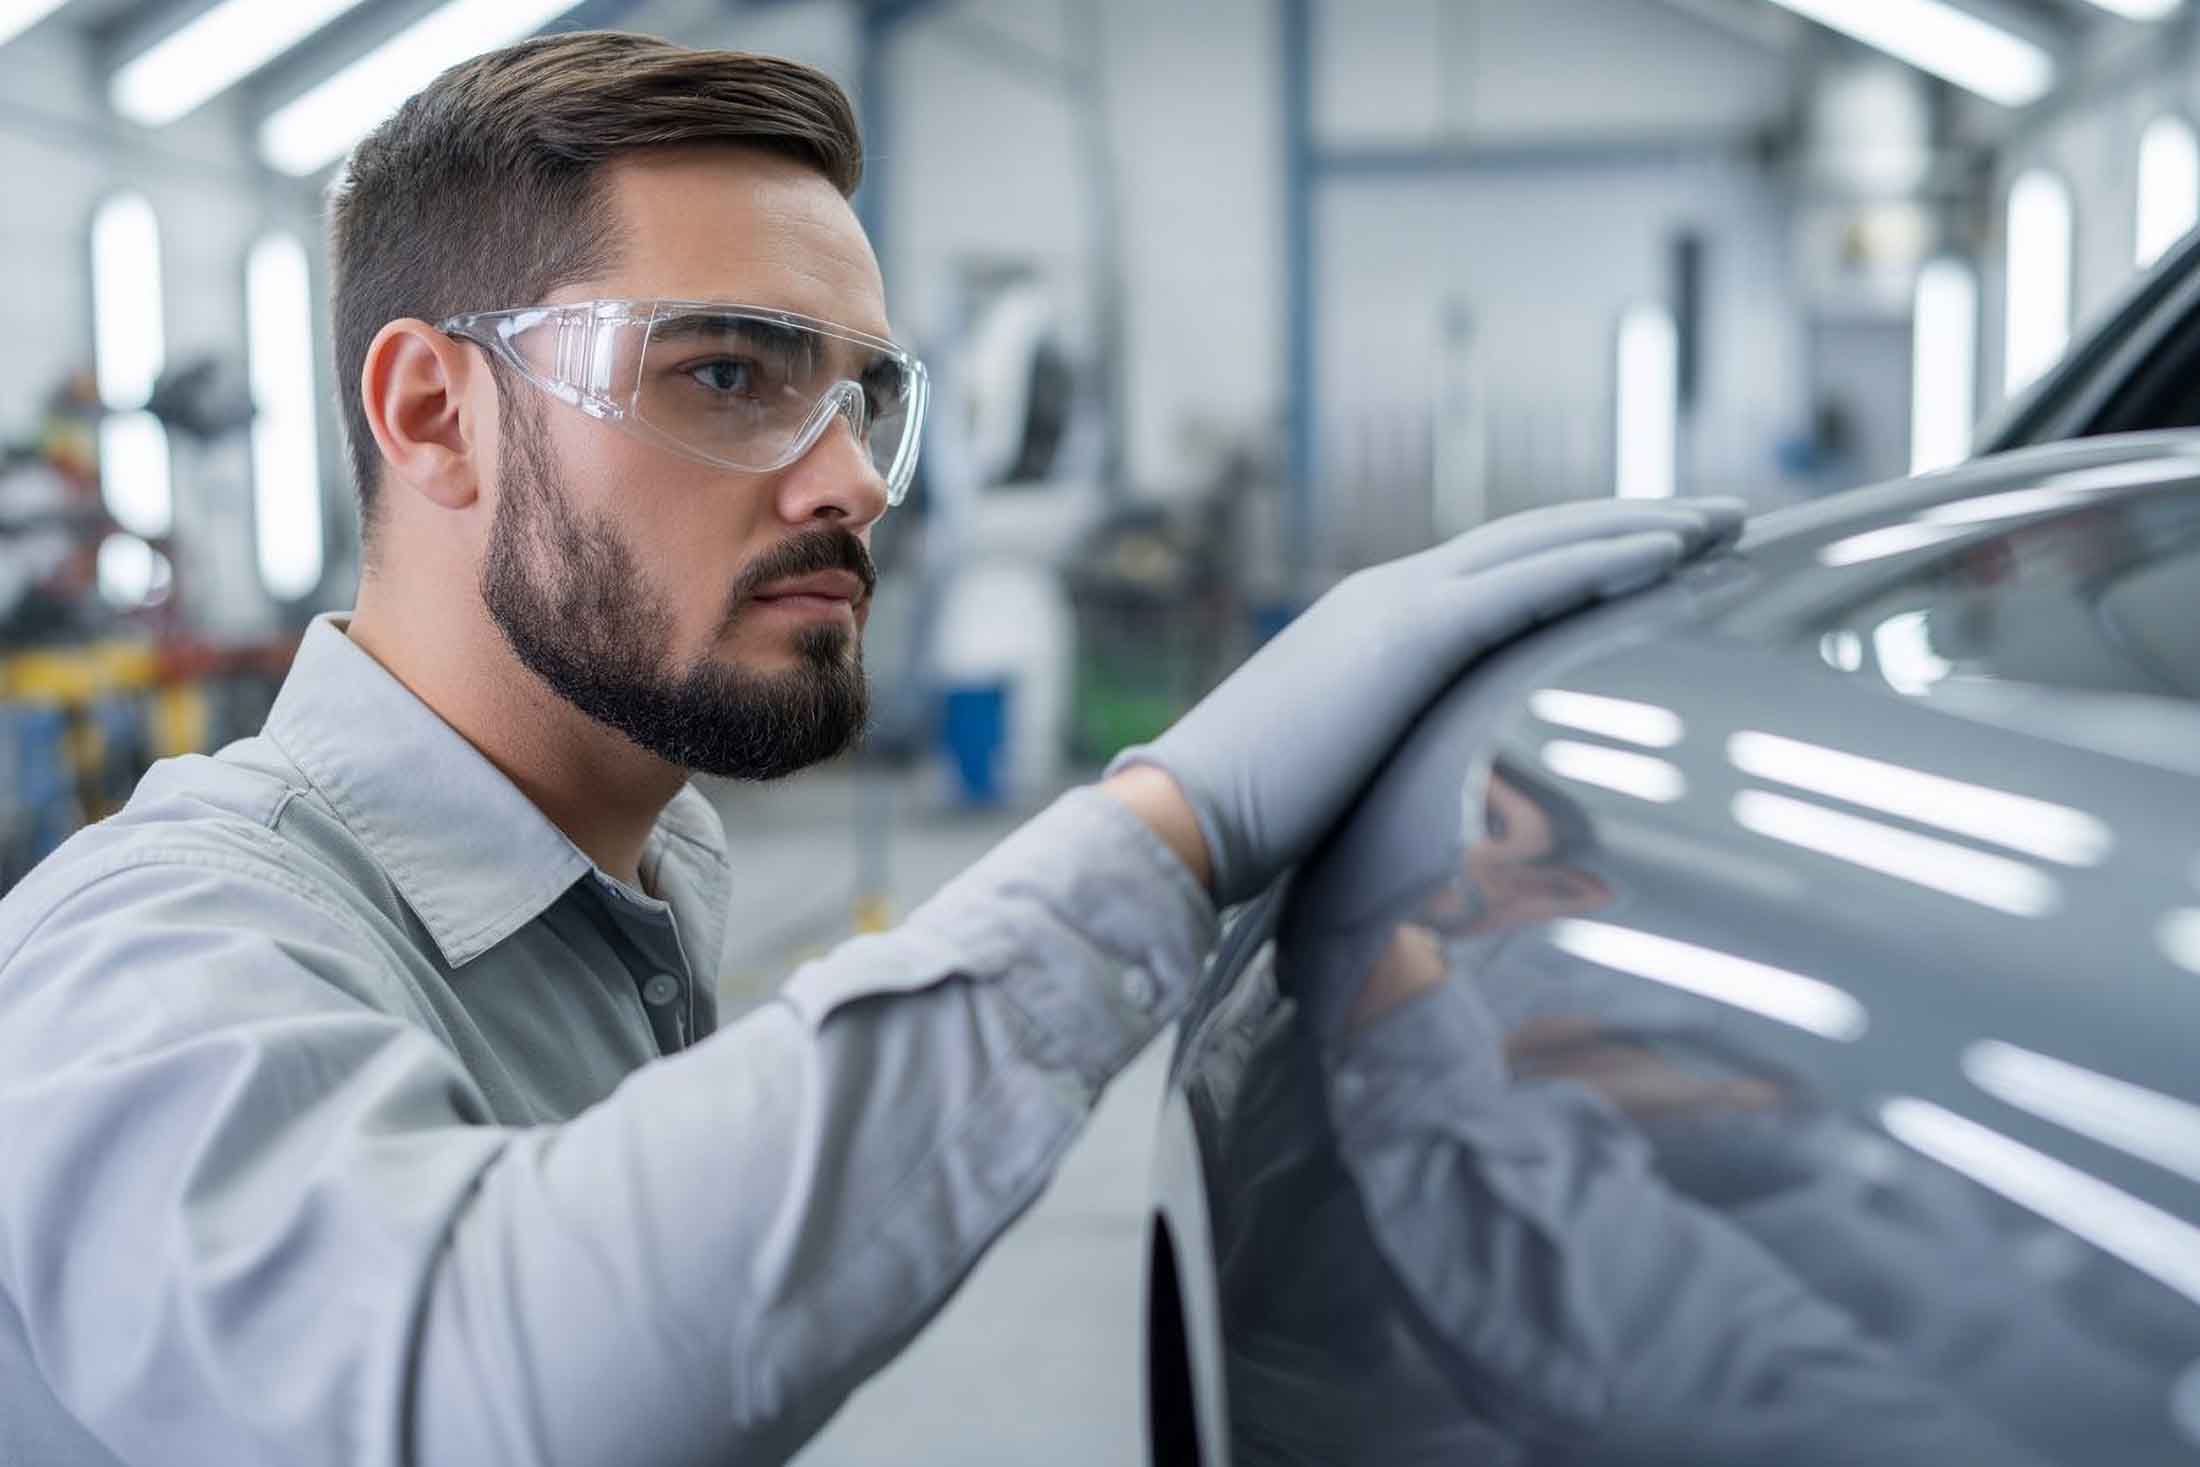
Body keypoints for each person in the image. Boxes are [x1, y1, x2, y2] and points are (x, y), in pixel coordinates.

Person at [0, 30, 1741, 1467]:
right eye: (725, 375)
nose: (844, 480)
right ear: (434, 414)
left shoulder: (641, 870)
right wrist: (1165, 827)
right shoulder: (158, 942)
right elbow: (466, 1387)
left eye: (864, 399)